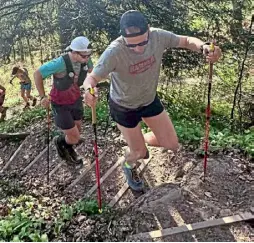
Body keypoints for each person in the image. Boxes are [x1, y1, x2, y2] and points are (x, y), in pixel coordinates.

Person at [83, 10, 222, 191]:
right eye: (132, 46)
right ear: (122, 37)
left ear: (148, 29)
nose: (138, 49)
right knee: (138, 153)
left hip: (149, 100)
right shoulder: (114, 52)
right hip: (124, 107)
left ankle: (136, 141)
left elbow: (186, 41)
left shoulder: (158, 36)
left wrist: (204, 46)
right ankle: (129, 164)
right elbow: (91, 78)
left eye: (142, 42)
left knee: (171, 144)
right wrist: (89, 91)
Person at [34, 36, 93, 165]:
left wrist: (91, 90)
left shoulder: (86, 59)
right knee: (75, 136)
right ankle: (60, 142)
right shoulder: (60, 63)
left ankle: (69, 144)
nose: (87, 59)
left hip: (75, 99)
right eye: (84, 56)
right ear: (74, 52)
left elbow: (91, 73)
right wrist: (42, 96)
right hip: (60, 104)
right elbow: (37, 73)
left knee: (77, 130)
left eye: (89, 55)